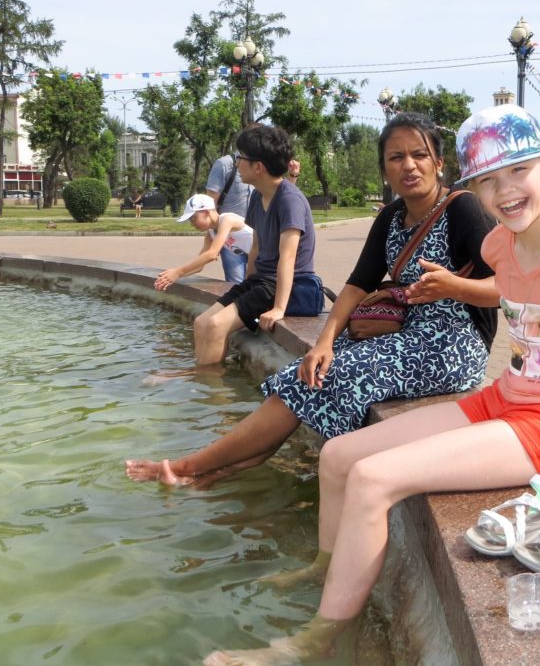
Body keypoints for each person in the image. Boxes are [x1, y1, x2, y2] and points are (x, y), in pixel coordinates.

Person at [202, 104, 540, 664]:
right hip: (505, 397)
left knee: (373, 478)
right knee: (338, 456)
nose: (505, 191)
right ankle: (326, 567)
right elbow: (524, 298)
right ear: (475, 188)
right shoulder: (499, 244)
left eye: (518, 171)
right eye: (488, 180)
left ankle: (317, 639)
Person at [126, 112, 498, 488]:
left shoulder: (463, 210)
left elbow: (511, 288)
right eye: (395, 157)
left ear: (438, 161)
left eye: (419, 154)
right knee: (304, 371)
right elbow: (356, 284)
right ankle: (216, 470)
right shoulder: (390, 217)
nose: (409, 165)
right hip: (405, 335)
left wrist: (455, 287)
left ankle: (191, 466)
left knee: (329, 376)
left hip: (454, 346)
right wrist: (323, 343)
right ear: (384, 168)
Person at [190, 124, 316, 366]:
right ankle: (203, 377)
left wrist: (279, 308)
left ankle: (213, 393)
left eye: (241, 158)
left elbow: (288, 258)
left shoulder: (290, 200)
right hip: (260, 282)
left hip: (282, 285)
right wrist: (247, 285)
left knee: (217, 325)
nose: (237, 164)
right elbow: (256, 247)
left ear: (258, 167)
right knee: (202, 322)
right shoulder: (258, 195)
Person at [156, 193, 254, 286]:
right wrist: (172, 276)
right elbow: (199, 266)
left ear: (207, 212)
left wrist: (178, 272)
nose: (192, 224)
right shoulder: (211, 233)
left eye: (194, 219)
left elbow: (212, 254)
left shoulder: (227, 220)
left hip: (267, 256)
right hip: (258, 259)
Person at [206, 153, 256, 281]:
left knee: (257, 283)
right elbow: (210, 204)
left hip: (255, 234)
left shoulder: (259, 163)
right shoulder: (224, 164)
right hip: (229, 236)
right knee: (236, 283)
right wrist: (212, 236)